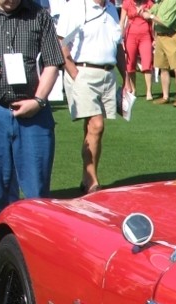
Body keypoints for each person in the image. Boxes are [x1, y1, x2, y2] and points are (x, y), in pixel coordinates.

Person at [0, 0, 64, 264]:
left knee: (36, 184)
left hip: (33, 110)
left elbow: (53, 62)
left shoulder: (39, 15)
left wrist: (38, 101)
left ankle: (35, 243)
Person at [57, 0, 123, 194]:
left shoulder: (111, 9)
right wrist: (75, 74)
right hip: (83, 71)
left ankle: (87, 177)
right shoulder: (75, 6)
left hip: (107, 74)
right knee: (96, 124)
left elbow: (118, 46)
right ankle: (92, 181)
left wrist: (127, 77)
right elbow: (60, 43)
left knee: (94, 129)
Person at [145, 0, 176, 106]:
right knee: (163, 68)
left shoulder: (173, 2)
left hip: (172, 36)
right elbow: (150, 11)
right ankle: (165, 96)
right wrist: (142, 10)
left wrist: (150, 16)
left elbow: (166, 22)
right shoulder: (159, 3)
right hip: (160, 37)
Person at [121, 0, 155, 100]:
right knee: (130, 63)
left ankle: (149, 91)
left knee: (147, 62)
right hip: (130, 35)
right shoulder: (127, 2)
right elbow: (122, 21)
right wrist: (121, 38)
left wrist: (154, 37)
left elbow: (153, 21)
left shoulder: (149, 3)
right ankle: (133, 88)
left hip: (145, 36)